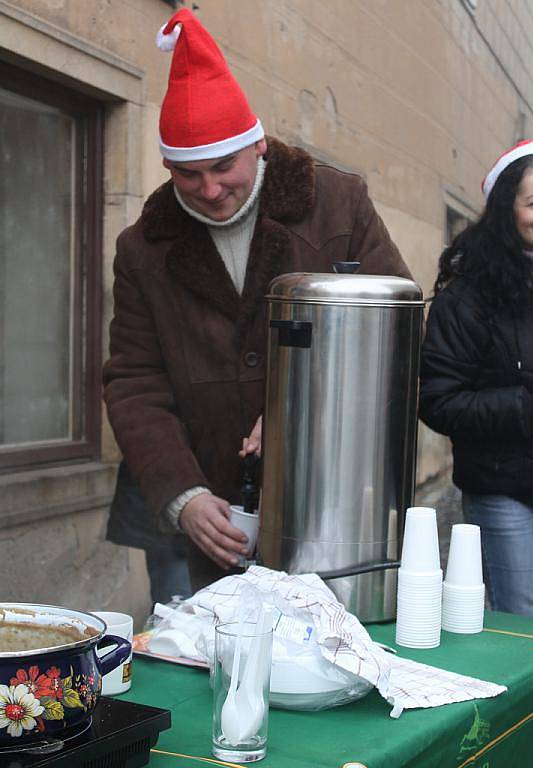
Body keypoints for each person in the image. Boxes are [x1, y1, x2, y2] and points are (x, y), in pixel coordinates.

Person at [103, 7, 412, 594]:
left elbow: (397, 335)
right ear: (168, 166)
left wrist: (303, 407)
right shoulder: (142, 250)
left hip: (331, 504)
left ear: (257, 146)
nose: (210, 190)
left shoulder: (340, 206)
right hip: (208, 510)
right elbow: (134, 382)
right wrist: (184, 498)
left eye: (223, 167)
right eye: (188, 176)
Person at [420, 139, 533, 621]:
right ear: (506, 209)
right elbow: (439, 401)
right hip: (502, 487)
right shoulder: (467, 298)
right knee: (523, 623)